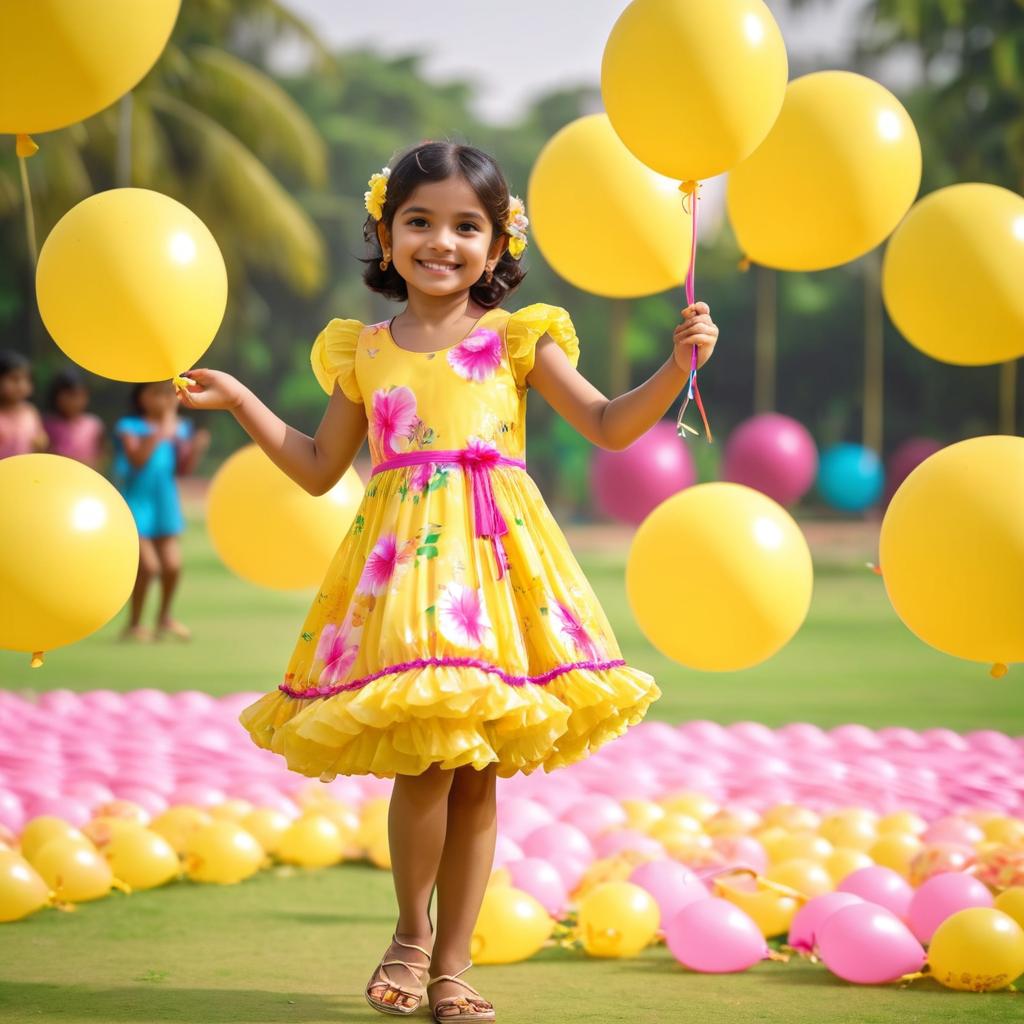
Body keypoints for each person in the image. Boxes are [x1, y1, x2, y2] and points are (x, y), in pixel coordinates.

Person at [176, 141, 719, 1022]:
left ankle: (453, 966)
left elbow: (611, 426)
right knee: (428, 760)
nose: (442, 242)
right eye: (419, 222)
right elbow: (320, 469)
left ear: (499, 243)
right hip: (406, 575)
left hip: (500, 572)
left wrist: (676, 366)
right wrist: (242, 400)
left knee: (477, 772)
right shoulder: (364, 350)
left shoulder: (518, 338)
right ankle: (410, 934)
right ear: (385, 236)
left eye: (467, 225)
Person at [112, 379, 210, 643]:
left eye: (168, 394)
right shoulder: (130, 427)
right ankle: (134, 624)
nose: (164, 400)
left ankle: (164, 618)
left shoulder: (181, 429)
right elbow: (137, 461)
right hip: (137, 501)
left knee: (173, 566)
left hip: (164, 501)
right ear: (140, 397)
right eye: (155, 394)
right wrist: (161, 430)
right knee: (149, 567)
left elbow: (182, 469)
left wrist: (196, 448)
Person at [43, 368, 106, 469]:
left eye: (81, 395)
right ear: (56, 395)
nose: (76, 401)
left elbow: (101, 457)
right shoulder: (47, 424)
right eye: (70, 395)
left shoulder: (93, 424)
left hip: (86, 479)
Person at [0, 350, 48, 459]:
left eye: (27, 380)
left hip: (25, 471)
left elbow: (40, 440)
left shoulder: (30, 411)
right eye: (14, 379)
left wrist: (41, 442)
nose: (21, 385)